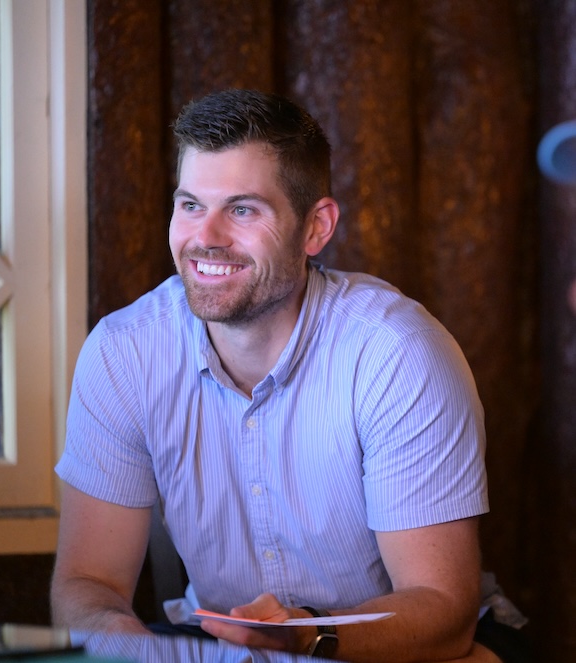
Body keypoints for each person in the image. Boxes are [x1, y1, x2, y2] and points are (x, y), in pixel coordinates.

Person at [51, 89, 524, 662]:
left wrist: (305, 632)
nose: (206, 237)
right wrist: (133, 654)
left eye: (244, 209)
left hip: (406, 647)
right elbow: (89, 585)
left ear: (316, 228)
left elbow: (442, 612)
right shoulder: (122, 352)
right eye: (191, 205)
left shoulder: (397, 352)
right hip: (229, 645)